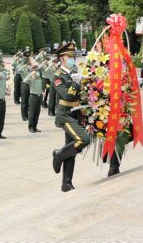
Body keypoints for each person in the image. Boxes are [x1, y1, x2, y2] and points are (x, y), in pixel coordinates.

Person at [51, 42, 91, 192]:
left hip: (75, 113)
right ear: (61, 58)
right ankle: (58, 154)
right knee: (83, 139)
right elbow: (66, 95)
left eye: (73, 56)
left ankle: (66, 183)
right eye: (69, 56)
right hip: (65, 115)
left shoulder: (73, 72)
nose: (72, 58)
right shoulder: (58, 76)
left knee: (72, 148)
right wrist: (75, 83)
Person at [23, 64, 43, 133]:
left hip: (39, 96)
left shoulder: (39, 77)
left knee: (37, 113)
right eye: (36, 71)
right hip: (33, 96)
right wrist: (31, 74)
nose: (37, 74)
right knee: (32, 113)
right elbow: (24, 81)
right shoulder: (30, 78)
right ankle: (31, 127)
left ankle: (35, 127)